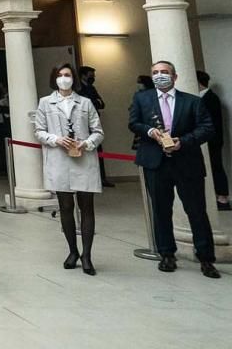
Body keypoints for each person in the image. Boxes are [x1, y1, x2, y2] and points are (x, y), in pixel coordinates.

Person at [129, 60, 220, 279]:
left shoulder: (192, 102)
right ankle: (167, 254)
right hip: (155, 162)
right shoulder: (142, 99)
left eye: (164, 72)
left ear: (174, 77)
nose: (160, 76)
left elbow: (207, 128)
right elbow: (134, 123)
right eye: (156, 73)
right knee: (161, 210)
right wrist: (150, 131)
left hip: (186, 162)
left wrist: (184, 141)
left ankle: (206, 257)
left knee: (196, 210)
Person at [34, 63, 104, 275]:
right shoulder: (46, 102)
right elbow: (39, 130)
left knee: (87, 206)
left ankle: (87, 255)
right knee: (65, 206)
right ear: (54, 78)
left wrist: (87, 143)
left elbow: (98, 131)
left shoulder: (85, 102)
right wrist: (55, 139)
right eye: (60, 75)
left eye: (67, 75)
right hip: (60, 158)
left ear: (73, 78)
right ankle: (72, 250)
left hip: (83, 158)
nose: (64, 78)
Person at [76, 66, 113, 187]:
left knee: (98, 148)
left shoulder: (91, 88)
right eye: (91, 75)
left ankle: (101, 178)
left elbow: (101, 103)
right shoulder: (77, 88)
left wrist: (94, 101)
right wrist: (93, 101)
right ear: (83, 75)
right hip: (81, 124)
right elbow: (86, 103)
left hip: (94, 124)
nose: (93, 78)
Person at [197, 71, 229, 211]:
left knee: (216, 167)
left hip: (212, 140)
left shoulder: (210, 98)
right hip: (206, 139)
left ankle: (222, 198)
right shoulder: (203, 98)